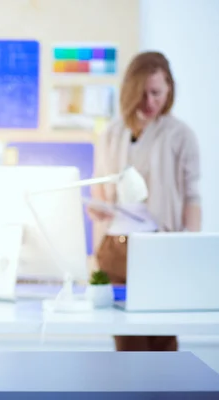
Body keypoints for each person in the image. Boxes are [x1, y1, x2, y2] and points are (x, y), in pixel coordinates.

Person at [89, 51, 201, 351]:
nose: (150, 102)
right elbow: (101, 189)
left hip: (161, 245)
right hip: (116, 247)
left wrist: (190, 247)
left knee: (163, 336)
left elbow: (192, 196)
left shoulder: (180, 135)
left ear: (169, 91)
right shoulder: (112, 133)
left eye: (157, 93)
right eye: (142, 93)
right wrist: (96, 208)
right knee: (128, 341)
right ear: (129, 91)